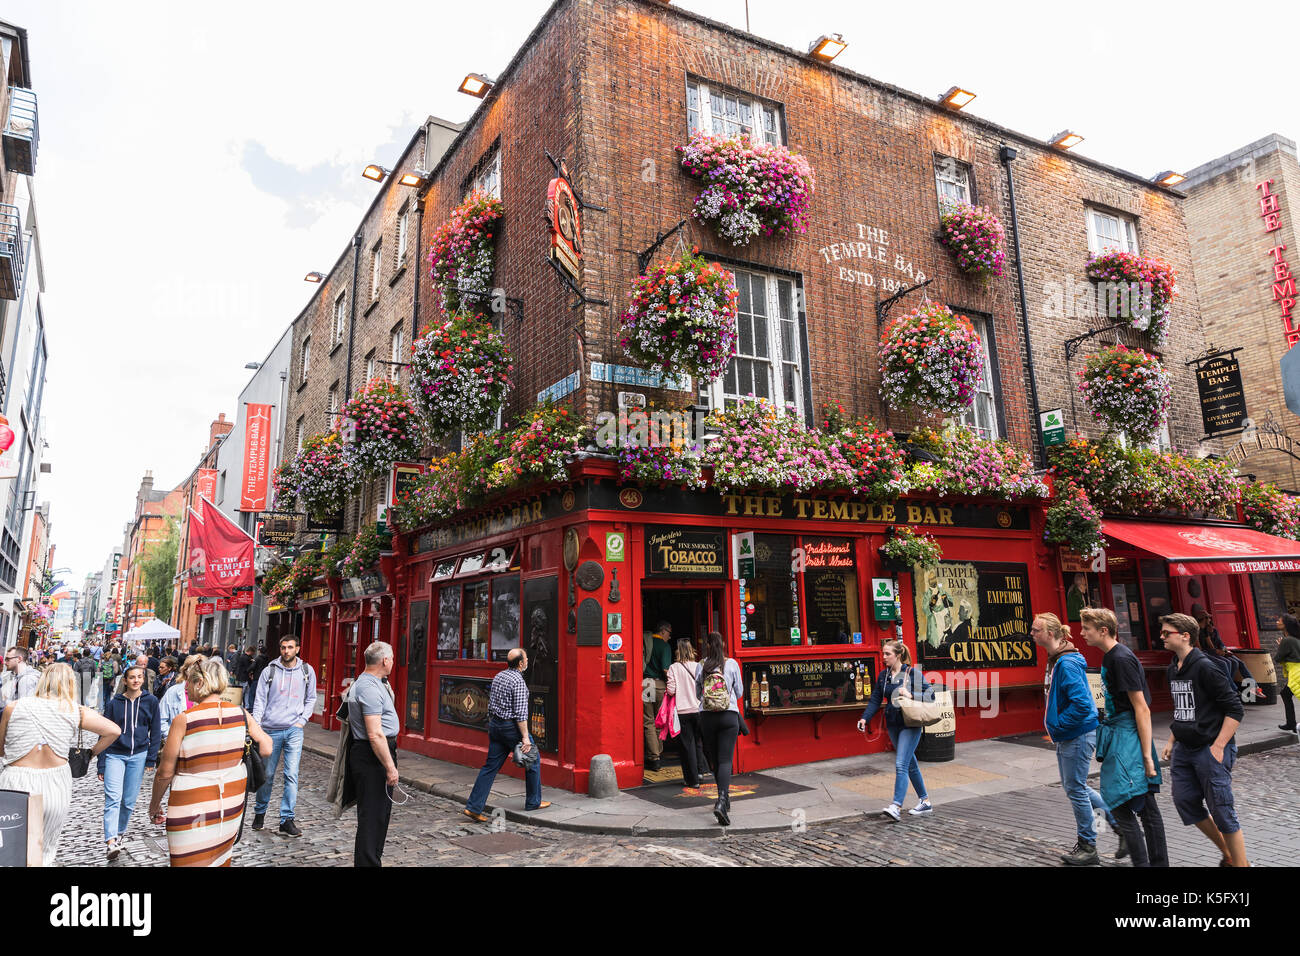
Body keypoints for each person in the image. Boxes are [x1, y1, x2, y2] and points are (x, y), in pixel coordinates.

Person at [147, 658, 271, 867]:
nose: (185, 686)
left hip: (192, 806)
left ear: (200, 684)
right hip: (229, 803)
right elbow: (266, 747)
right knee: (220, 858)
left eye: (189, 681)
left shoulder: (185, 720)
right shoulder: (241, 714)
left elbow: (165, 772)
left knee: (188, 860)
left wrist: (154, 805)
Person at [0, 663, 120, 865]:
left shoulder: (14, 707)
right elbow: (113, 731)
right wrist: (90, 754)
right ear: (71, 683)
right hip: (55, 783)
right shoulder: (75, 710)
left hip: (17, 780)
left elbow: (1, 747)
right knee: (44, 850)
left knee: (9, 848)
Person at [1031, 613, 1123, 864]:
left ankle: (1089, 847)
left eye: (1035, 630)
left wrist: (1059, 726)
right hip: (1070, 735)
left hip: (1077, 735)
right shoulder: (1056, 660)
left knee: (1076, 789)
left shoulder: (1066, 663)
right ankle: (1119, 826)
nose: (1032, 634)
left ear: (1050, 634)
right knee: (1075, 787)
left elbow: (1084, 706)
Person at [1080, 607, 1168, 867]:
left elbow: (1141, 708)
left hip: (1127, 737)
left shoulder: (1120, 658)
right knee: (1144, 807)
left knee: (1123, 805)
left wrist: (1146, 757)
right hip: (1121, 734)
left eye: (1087, 629)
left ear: (1103, 631)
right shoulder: (1111, 657)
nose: (1082, 633)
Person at [1159, 612, 1248, 867]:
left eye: (1167, 633)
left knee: (1221, 809)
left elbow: (1235, 709)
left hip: (1210, 747)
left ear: (1186, 636)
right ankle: (1227, 852)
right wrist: (1170, 740)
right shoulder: (1172, 669)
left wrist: (1218, 746)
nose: (1162, 637)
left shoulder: (1207, 667)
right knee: (1185, 801)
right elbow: (1183, 710)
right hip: (1184, 748)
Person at [464, 647, 549, 824]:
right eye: (525, 658)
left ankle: (473, 807)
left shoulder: (499, 676)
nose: (527, 661)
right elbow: (520, 713)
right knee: (533, 759)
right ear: (520, 663)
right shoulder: (518, 681)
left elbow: (490, 703)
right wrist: (525, 738)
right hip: (511, 727)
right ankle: (533, 801)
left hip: (495, 726)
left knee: (490, 767)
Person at [856, 638, 932, 823]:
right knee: (909, 763)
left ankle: (896, 806)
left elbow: (931, 695)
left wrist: (911, 694)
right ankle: (925, 801)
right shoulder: (884, 676)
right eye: (883, 653)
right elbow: (875, 698)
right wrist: (865, 718)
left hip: (910, 724)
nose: (884, 657)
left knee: (901, 764)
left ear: (898, 655)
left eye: (887, 654)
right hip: (893, 723)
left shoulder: (912, 673)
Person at [250, 635, 317, 836]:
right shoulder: (269, 670)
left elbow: (311, 697)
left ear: (297, 648)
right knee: (267, 775)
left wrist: (302, 721)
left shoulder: (307, 671)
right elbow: (260, 700)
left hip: (294, 730)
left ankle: (286, 818)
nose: (286, 651)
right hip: (270, 730)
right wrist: (257, 726)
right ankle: (260, 812)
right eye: (283, 647)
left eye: (290, 647)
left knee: (291, 775)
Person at [97, 664, 162, 860]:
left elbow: (156, 731)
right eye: (132, 677)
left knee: (128, 801)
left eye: (139, 677)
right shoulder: (114, 704)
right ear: (124, 681)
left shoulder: (151, 702)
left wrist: (151, 757)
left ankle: (119, 833)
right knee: (113, 798)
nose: (136, 680)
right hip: (115, 755)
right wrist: (101, 763)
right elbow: (103, 733)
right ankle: (111, 841)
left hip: (139, 756)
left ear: (143, 679)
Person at [347, 641, 403, 866]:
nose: (392, 662)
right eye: (391, 658)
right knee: (372, 817)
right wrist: (390, 767)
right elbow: (375, 734)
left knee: (378, 816)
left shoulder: (373, 683)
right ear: (384, 661)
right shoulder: (369, 687)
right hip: (373, 756)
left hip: (375, 754)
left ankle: (371, 860)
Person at [665, 637, 709, 789]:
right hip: (698, 710)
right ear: (691, 650)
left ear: (678, 651)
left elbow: (671, 690)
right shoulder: (699, 666)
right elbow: (704, 686)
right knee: (697, 742)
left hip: (682, 712)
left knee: (687, 745)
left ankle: (692, 780)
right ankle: (700, 772)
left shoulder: (673, 668)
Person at [642, 622, 673, 772]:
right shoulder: (664, 646)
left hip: (646, 684)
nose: (670, 636)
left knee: (648, 721)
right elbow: (666, 669)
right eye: (669, 633)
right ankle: (658, 754)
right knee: (659, 720)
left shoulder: (646, 642)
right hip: (659, 685)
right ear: (662, 631)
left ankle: (653, 757)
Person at [158, 655, 206, 740]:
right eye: (193, 670)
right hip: (177, 744)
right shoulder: (173, 692)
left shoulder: (208, 694)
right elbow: (161, 720)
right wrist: (174, 739)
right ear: (186, 671)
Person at [1274, 613, 1300, 734]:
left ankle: (1291, 723)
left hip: (1296, 673)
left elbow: (1278, 658)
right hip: (1297, 671)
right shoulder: (1295, 639)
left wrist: (1280, 647)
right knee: (1285, 694)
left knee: (1286, 694)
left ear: (1286, 625)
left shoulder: (1287, 640)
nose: (1277, 621)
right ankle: (1291, 723)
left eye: (1280, 620)